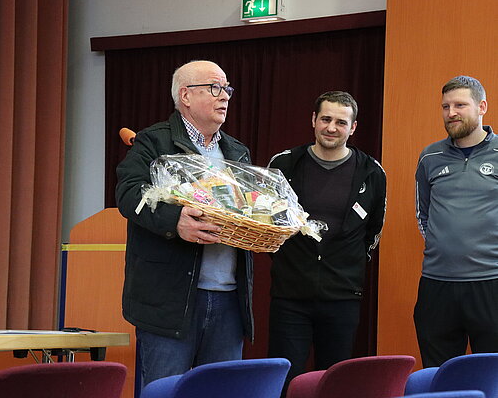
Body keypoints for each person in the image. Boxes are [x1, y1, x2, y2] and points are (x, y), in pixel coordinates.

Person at [115, 60, 254, 386]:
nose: (225, 96)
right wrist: (174, 220)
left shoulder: (237, 151)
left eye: (227, 89)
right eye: (215, 88)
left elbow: (249, 205)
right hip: (169, 303)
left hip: (229, 301)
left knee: (222, 394)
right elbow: (128, 193)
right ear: (186, 96)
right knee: (167, 391)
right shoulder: (153, 142)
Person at [267, 91, 387, 395]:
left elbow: (373, 231)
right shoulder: (283, 164)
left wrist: (347, 266)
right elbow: (267, 223)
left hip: (342, 298)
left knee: (335, 385)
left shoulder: (372, 172)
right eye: (326, 119)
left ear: (353, 127)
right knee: (285, 383)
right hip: (289, 296)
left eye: (341, 122)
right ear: (313, 120)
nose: (332, 127)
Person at [414, 75, 498, 367]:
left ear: (482, 107)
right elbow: (423, 214)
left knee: (492, 375)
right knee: (439, 374)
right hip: (437, 285)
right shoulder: (429, 156)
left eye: (460, 105)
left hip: (491, 282)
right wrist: (446, 248)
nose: (451, 113)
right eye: (445, 106)